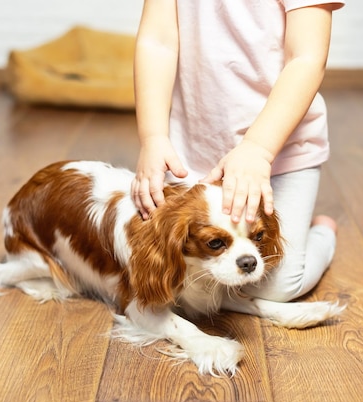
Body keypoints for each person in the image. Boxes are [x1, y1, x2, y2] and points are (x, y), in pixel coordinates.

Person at [132, 0, 345, 302]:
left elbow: (306, 58)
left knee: (276, 286)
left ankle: (322, 232)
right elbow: (157, 41)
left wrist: (258, 149)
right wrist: (152, 136)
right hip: (194, 149)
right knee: (163, 266)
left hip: (280, 153)